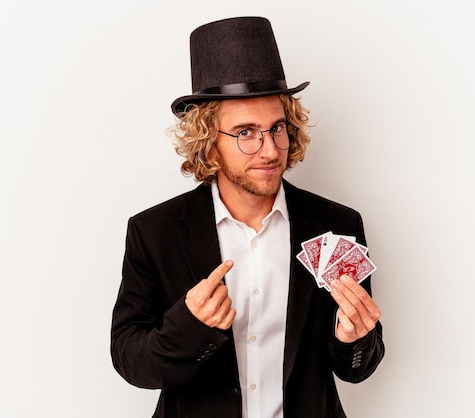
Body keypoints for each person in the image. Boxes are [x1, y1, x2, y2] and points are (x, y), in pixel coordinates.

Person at [111, 16, 385, 418]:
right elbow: (129, 359)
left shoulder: (336, 225)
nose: (271, 150)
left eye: (277, 128)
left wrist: (353, 339)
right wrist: (189, 325)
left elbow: (356, 366)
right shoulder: (155, 232)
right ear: (208, 142)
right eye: (246, 132)